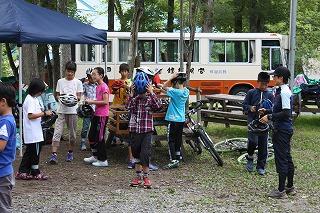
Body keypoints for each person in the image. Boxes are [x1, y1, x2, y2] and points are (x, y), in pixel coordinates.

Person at [260, 66, 295, 199]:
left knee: (281, 159)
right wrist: (267, 111)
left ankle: (281, 191)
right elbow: (280, 110)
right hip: (284, 129)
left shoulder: (284, 92)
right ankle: (290, 187)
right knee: (287, 157)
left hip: (282, 130)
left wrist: (269, 117)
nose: (273, 78)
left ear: (281, 78)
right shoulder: (281, 91)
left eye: (274, 76)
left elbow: (286, 113)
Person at [127, 71, 162, 188]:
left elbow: (158, 106)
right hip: (135, 130)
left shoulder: (149, 99)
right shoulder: (135, 99)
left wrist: (152, 93)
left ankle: (146, 177)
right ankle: (138, 177)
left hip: (147, 131)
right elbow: (128, 107)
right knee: (136, 154)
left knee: (145, 154)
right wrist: (131, 94)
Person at [16, 79, 52, 180]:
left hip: (34, 131)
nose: (42, 92)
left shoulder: (33, 99)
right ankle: (36, 172)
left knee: (29, 152)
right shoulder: (30, 100)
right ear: (36, 90)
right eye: (41, 90)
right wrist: (44, 113)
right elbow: (30, 116)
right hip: (33, 133)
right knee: (35, 152)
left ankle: (23, 171)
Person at [49, 61, 83, 164]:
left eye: (72, 72)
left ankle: (70, 152)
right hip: (61, 110)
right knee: (57, 132)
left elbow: (79, 96)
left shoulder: (78, 82)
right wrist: (61, 98)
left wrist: (73, 99)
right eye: (68, 71)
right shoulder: (60, 81)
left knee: (72, 134)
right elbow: (57, 95)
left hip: (72, 111)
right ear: (65, 70)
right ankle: (53, 155)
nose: (70, 74)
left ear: (74, 72)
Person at [242, 72, 274, 175]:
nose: (264, 86)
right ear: (257, 82)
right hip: (252, 121)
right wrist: (251, 108)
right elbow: (244, 105)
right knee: (252, 141)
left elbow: (273, 108)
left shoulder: (269, 94)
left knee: (263, 144)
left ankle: (261, 166)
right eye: (262, 84)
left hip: (264, 122)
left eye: (266, 84)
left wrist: (266, 111)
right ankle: (250, 157)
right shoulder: (251, 92)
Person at [83, 67, 110, 167]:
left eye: (95, 74)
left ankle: (103, 160)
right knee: (91, 135)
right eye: (92, 74)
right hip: (96, 114)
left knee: (100, 137)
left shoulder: (104, 87)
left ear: (101, 76)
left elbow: (106, 102)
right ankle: (95, 156)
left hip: (102, 116)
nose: (92, 76)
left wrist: (92, 101)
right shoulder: (97, 86)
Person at [162, 73, 189, 169]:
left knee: (171, 140)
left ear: (177, 82)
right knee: (178, 139)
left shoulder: (174, 92)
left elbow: (163, 87)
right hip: (181, 119)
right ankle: (178, 156)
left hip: (173, 119)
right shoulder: (186, 91)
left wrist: (171, 78)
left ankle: (173, 160)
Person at [0, 83, 16, 212]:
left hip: (2, 175)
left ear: (3, 101)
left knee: (3, 208)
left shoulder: (5, 122)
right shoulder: (4, 119)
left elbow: (1, 146)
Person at [80, 68, 97, 151]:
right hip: (88, 109)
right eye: (89, 77)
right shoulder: (85, 85)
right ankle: (83, 141)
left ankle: (93, 143)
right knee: (85, 127)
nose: (91, 79)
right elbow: (81, 94)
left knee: (94, 127)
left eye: (92, 77)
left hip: (96, 109)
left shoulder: (98, 85)